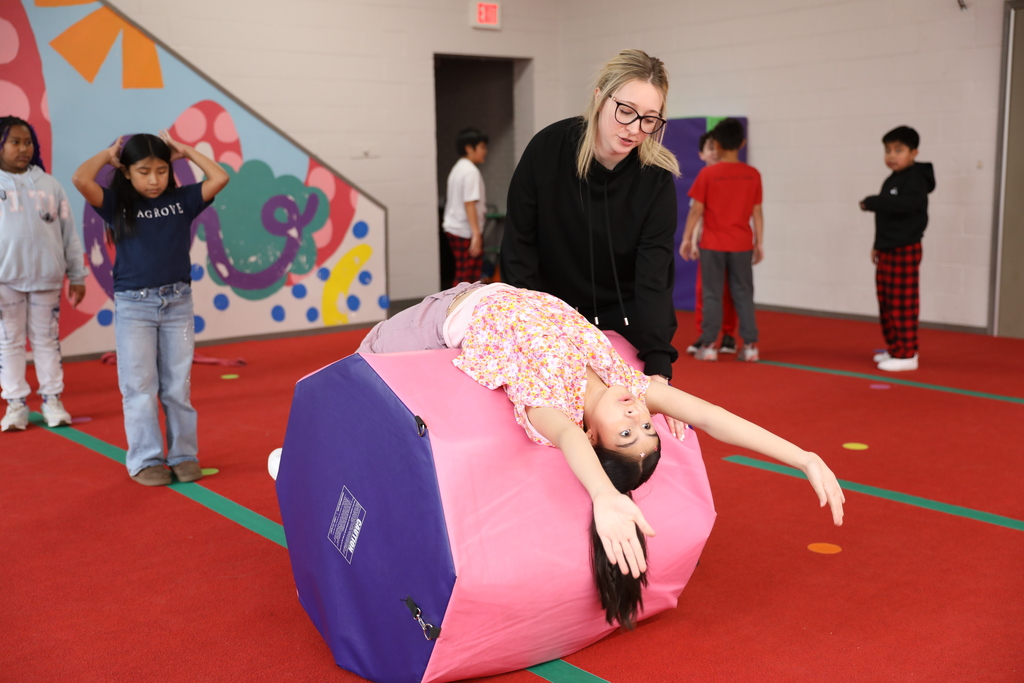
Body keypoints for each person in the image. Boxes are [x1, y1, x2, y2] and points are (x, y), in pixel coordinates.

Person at [357, 282, 846, 629]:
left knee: (361, 367)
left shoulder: (552, 410)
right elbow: (712, 416)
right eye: (648, 426)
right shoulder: (627, 382)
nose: (638, 415)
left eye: (627, 433)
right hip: (494, 290)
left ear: (592, 435)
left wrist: (605, 495)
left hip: (441, 319)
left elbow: (569, 442)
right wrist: (802, 457)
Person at [500, 49, 683, 437]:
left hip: (623, 320)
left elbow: (654, 278)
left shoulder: (656, 179)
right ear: (600, 97)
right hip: (550, 314)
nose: (634, 128)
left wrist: (658, 367)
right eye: (626, 111)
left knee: (637, 429)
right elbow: (519, 247)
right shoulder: (548, 149)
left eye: (649, 119)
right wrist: (534, 331)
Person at [72, 132, 229, 486]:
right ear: (127, 172)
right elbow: (81, 179)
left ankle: (184, 455)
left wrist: (185, 151)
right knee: (140, 386)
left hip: (177, 303)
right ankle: (146, 460)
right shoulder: (117, 204)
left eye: (161, 170)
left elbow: (220, 177)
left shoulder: (182, 200)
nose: (154, 180)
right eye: (144, 172)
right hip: (135, 307)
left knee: (177, 387)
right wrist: (108, 154)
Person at [0, 116, 87, 432]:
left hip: (46, 279)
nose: (23, 148)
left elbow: (68, 233)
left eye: (28, 142)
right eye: (15, 142)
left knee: (47, 341)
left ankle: (52, 400)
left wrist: (77, 275)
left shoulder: (50, 185)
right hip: (5, 281)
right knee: (9, 342)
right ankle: (15, 405)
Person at [679, 118, 762, 362]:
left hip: (712, 245)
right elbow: (757, 212)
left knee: (712, 294)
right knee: (743, 294)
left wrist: (686, 238)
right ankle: (750, 346)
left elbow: (696, 210)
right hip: (742, 245)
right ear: (742, 143)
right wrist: (759, 242)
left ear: (716, 144)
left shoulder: (708, 174)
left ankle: (708, 346)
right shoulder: (753, 174)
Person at [860, 126, 935, 372]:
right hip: (888, 248)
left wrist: (874, 202)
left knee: (902, 302)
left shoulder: (915, 179)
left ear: (914, 153)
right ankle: (895, 347)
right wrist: (877, 245)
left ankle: (907, 354)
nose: (892, 155)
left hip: (904, 248)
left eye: (899, 150)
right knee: (886, 301)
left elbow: (905, 205)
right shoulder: (893, 179)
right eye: (888, 150)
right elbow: (886, 218)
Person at [685, 131, 739, 356]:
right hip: (709, 245)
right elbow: (696, 214)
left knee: (730, 291)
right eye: (710, 148)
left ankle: (729, 334)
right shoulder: (703, 179)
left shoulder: (735, 179)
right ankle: (705, 335)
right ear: (701, 154)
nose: (715, 152)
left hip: (734, 246)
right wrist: (693, 240)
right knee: (704, 292)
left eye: (718, 147)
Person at [442, 128, 489, 287]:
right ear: (469, 148)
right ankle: (457, 303)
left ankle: (458, 302)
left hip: (455, 227)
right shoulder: (470, 172)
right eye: (482, 147)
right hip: (465, 230)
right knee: (468, 278)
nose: (485, 151)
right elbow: (469, 203)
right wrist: (476, 234)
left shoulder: (458, 168)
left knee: (465, 274)